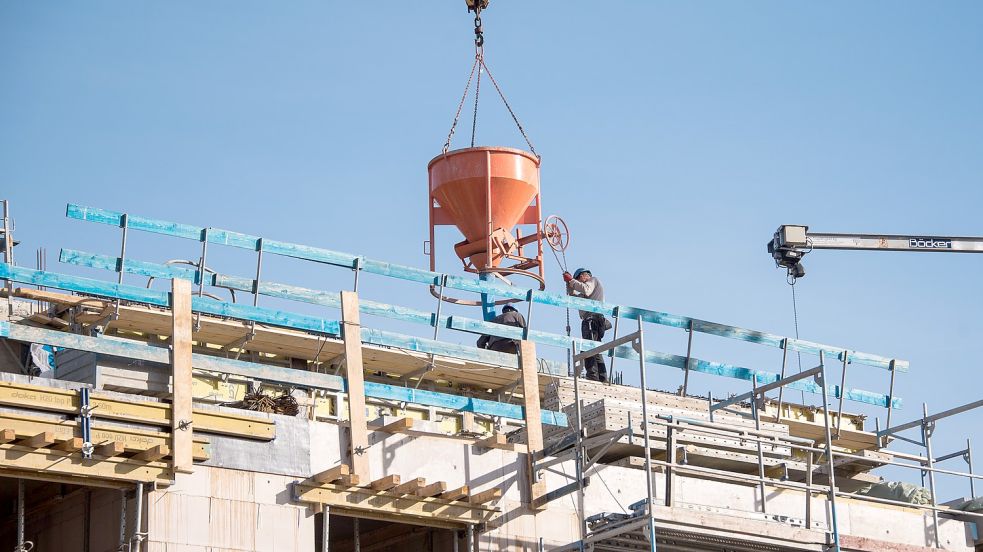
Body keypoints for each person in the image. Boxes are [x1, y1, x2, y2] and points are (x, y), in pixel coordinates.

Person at [564, 268, 609, 382]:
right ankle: (602, 378)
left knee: (588, 347)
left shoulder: (593, 281)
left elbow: (586, 289)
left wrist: (572, 281)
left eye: (578, 279)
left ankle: (593, 376)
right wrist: (569, 284)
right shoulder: (585, 296)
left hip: (592, 319)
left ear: (584, 276)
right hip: (593, 320)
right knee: (595, 349)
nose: (579, 282)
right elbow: (573, 298)